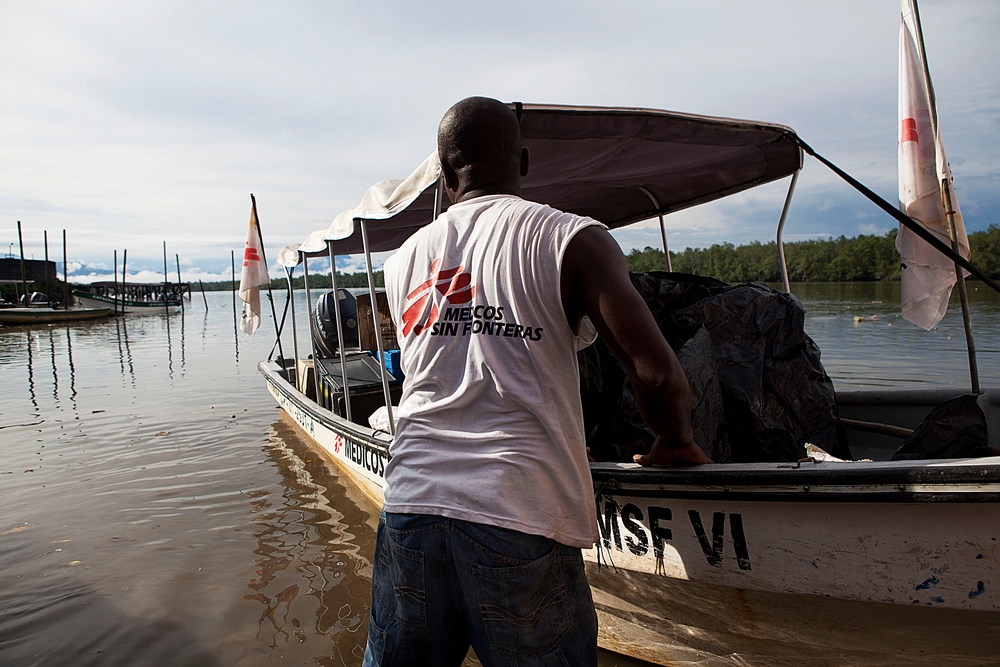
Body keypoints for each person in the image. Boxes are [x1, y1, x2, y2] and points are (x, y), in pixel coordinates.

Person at [365, 96, 709, 667]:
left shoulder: (402, 260)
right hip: (520, 511)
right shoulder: (571, 239)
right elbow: (656, 373)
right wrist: (675, 442)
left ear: (447, 176)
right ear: (524, 161)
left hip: (410, 508)